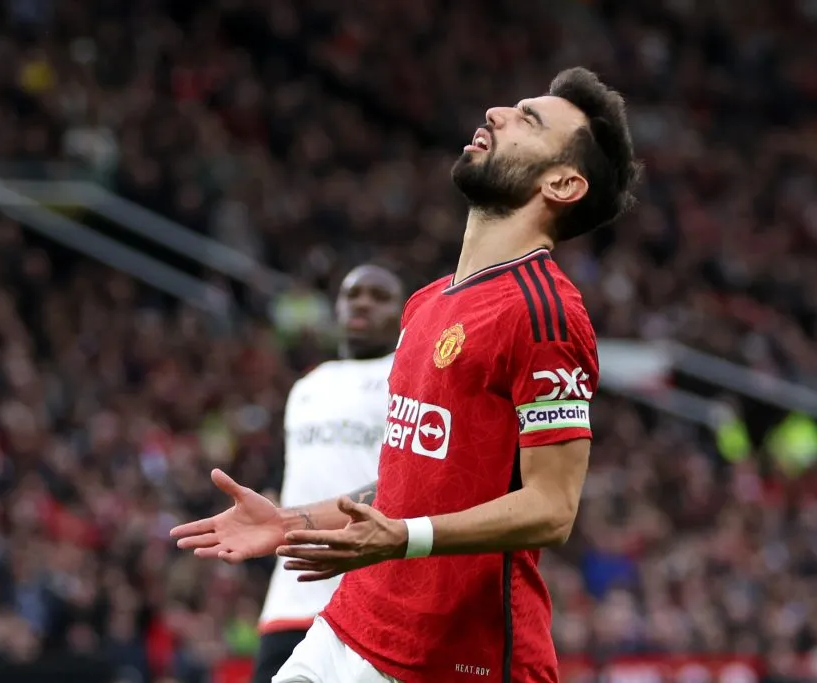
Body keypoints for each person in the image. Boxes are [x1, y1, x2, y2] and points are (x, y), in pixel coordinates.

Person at [171, 67, 640, 683]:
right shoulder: (427, 303)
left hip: (450, 659)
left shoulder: (545, 313)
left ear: (563, 182)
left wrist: (405, 539)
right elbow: (404, 492)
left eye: (529, 119)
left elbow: (552, 508)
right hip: (351, 626)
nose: (497, 111)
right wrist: (290, 521)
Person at [251, 265, 404, 681]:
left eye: (378, 295)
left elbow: (409, 481)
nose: (362, 302)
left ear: (402, 314)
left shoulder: (409, 377)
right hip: (291, 596)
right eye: (352, 293)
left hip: (369, 595)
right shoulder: (307, 386)